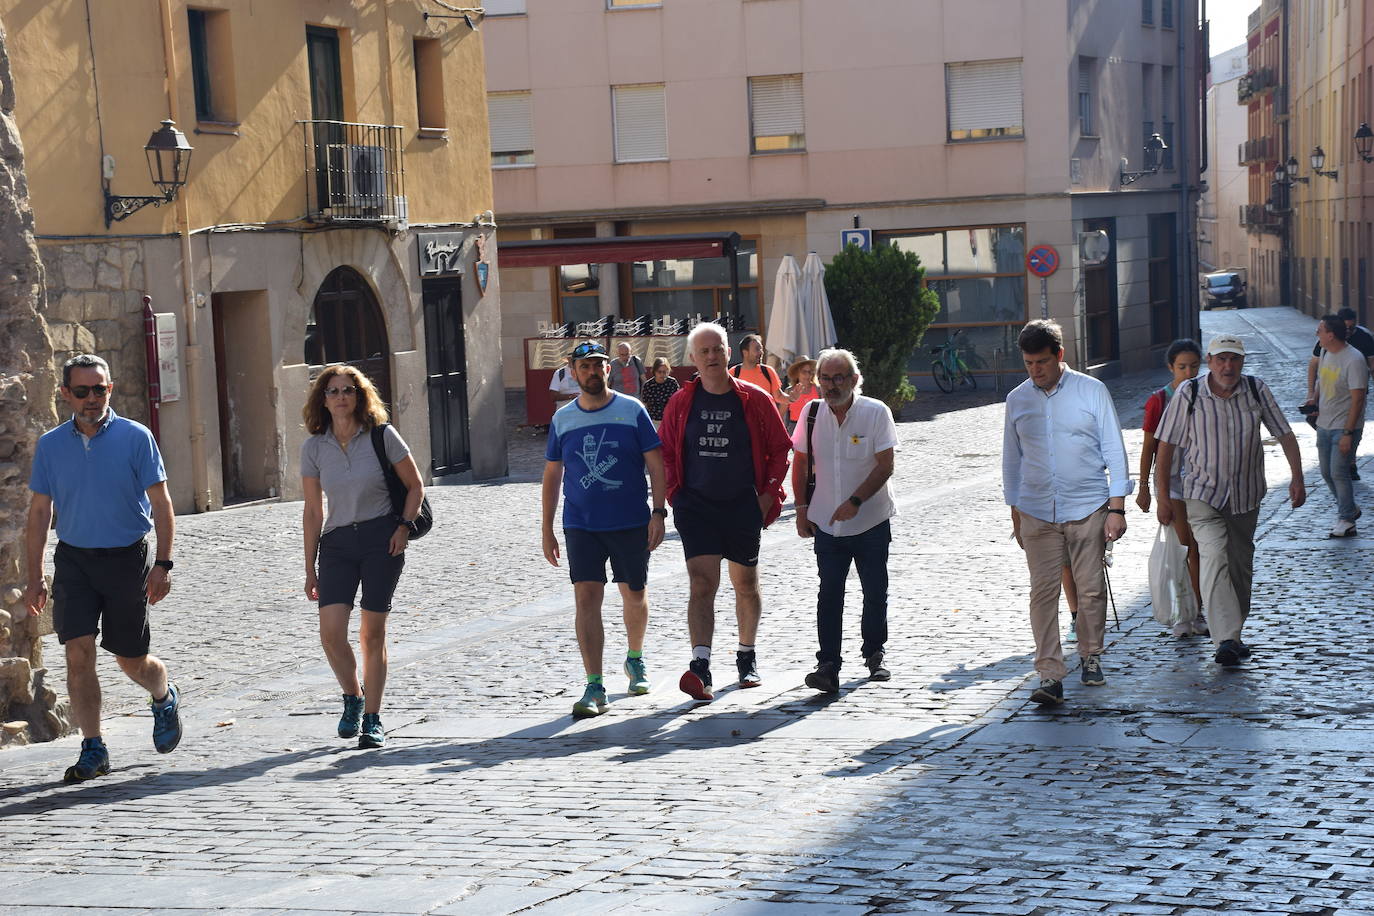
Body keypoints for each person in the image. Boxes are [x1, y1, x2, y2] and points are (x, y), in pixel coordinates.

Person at [23, 354, 182, 783]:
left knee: (131, 661)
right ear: (66, 395)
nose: (93, 398)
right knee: (78, 652)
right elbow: (39, 514)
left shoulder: (136, 437)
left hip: (126, 558)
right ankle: (93, 746)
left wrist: (163, 564)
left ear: (109, 390)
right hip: (74, 560)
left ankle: (163, 694)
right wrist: (35, 575)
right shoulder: (51, 445)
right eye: (83, 391)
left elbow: (162, 504)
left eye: (101, 389)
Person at [1154, 334, 1305, 667]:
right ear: (1210, 361)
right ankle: (1225, 638)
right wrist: (1162, 495)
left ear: (1242, 362)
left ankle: (1233, 634)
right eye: (1221, 359)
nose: (1227, 366)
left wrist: (1297, 477)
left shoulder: (1255, 390)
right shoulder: (1189, 393)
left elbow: (1284, 433)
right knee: (1214, 555)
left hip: (1246, 496)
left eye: (1234, 359)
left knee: (1239, 568)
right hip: (1202, 495)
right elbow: (1165, 446)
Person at [660, 321, 792, 701]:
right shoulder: (681, 402)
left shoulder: (753, 398)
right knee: (702, 584)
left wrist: (767, 496)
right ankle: (700, 666)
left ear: (728, 354)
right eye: (704, 351)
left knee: (745, 584)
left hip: (742, 504)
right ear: (692, 358)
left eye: (718, 349)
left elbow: (780, 449)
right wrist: (674, 494)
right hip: (697, 506)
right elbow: (666, 451)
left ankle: (746, 655)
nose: (712, 356)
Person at [1002, 320, 1131, 706]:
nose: (1035, 370)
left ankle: (1090, 654)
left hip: (1088, 505)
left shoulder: (1092, 391)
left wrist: (1117, 508)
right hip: (1036, 509)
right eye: (1028, 364)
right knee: (1042, 593)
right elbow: (1012, 460)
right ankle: (1049, 674)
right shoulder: (1017, 400)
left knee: (1090, 588)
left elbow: (1114, 449)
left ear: (1060, 355)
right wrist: (1015, 513)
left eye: (1041, 362)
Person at [301, 365, 425, 749]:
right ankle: (352, 696)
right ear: (323, 399)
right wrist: (309, 567)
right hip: (336, 544)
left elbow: (415, 485)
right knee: (331, 633)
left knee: (373, 633)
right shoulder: (314, 447)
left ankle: (373, 717)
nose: (341, 397)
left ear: (360, 396)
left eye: (348, 390)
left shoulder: (381, 436)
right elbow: (312, 511)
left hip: (380, 540)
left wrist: (403, 527)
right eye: (333, 391)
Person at [542, 341, 667, 717]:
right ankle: (594, 684)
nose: (592, 372)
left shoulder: (632, 410)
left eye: (598, 365)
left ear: (607, 370)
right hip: (581, 524)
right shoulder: (562, 419)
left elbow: (657, 465)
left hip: (630, 521)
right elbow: (552, 474)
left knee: (633, 593)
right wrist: (547, 528)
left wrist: (658, 512)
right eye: (585, 367)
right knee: (586, 600)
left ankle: (635, 658)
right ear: (573, 372)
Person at [791, 349, 897, 693]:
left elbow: (885, 465)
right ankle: (828, 665)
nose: (831, 385)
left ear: (854, 379)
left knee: (874, 590)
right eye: (825, 378)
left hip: (870, 519)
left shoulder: (875, 412)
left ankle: (874, 654)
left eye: (839, 378)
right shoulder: (810, 413)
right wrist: (802, 509)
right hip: (825, 521)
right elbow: (801, 463)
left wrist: (855, 501)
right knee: (829, 593)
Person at [1136, 339, 1205, 635]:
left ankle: (1198, 609)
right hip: (1172, 482)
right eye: (1181, 367)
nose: (1188, 372)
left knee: (1201, 549)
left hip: (1203, 482)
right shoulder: (1159, 400)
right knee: (1183, 546)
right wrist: (1144, 488)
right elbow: (1148, 447)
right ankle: (1183, 612)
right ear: (1170, 367)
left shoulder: (1206, 396)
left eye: (1193, 366)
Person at [1304, 315, 1368, 537]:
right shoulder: (1325, 352)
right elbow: (1322, 379)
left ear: (1331, 334)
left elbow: (1358, 399)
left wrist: (1349, 433)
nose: (1317, 334)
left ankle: (1347, 519)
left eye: (1320, 330)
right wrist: (1314, 398)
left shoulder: (1354, 360)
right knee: (1326, 472)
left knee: (1339, 472)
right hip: (1324, 423)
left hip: (1344, 425)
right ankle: (1349, 508)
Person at [1307, 307, 1374, 479]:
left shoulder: (1364, 338)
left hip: (1356, 391)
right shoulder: (1324, 346)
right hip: (1331, 398)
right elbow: (1314, 367)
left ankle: (1350, 461)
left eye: (1352, 327)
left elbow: (1372, 365)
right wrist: (1311, 395)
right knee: (1329, 468)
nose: (1349, 331)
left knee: (1353, 427)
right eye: (1346, 328)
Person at [730, 334, 787, 413]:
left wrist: (792, 398)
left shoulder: (768, 371)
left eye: (761, 348)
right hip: (742, 421)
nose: (761, 352)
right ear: (745, 353)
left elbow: (779, 397)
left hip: (765, 422)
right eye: (757, 349)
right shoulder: (733, 373)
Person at [639, 357, 681, 429]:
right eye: (659, 372)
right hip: (653, 421)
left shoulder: (672, 383)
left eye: (665, 372)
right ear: (654, 371)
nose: (662, 374)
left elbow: (678, 401)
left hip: (669, 421)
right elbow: (645, 404)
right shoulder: (648, 385)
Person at [784, 356, 819, 433]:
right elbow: (780, 416)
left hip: (815, 427)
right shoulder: (789, 391)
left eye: (810, 372)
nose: (807, 375)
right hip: (795, 429)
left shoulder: (818, 389)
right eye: (804, 372)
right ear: (797, 373)